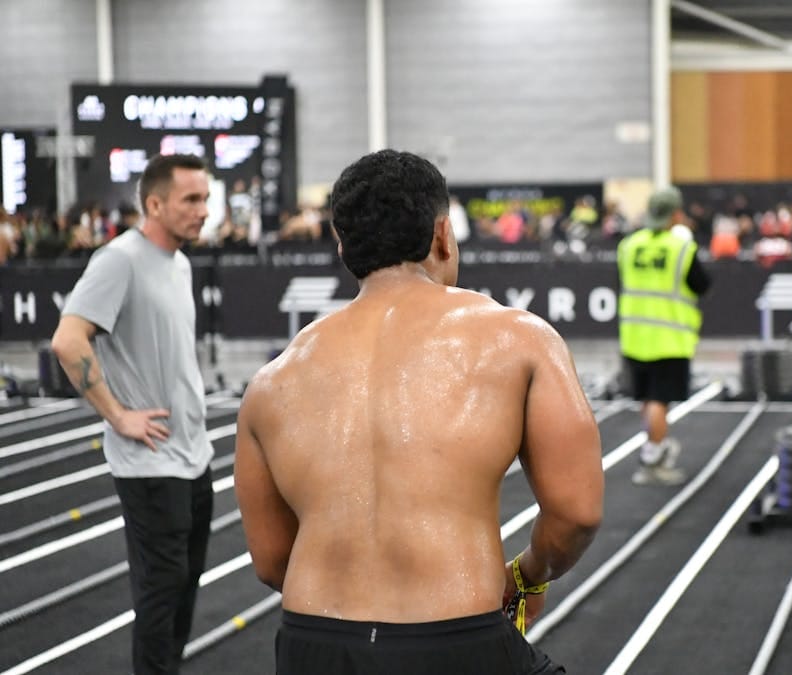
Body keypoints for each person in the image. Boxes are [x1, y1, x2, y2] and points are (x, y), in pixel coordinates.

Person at [234, 149, 604, 674]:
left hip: (312, 644)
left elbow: (272, 561)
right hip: (454, 640)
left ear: (344, 247)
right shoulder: (520, 339)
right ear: (442, 236)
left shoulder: (272, 381)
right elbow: (576, 513)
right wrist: (525, 575)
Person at [50, 153, 214, 674]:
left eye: (206, 198)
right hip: (149, 464)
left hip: (193, 458)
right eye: (191, 199)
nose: (203, 210)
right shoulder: (119, 259)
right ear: (154, 204)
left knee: (183, 597)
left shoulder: (181, 264)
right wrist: (118, 415)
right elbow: (67, 340)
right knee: (160, 603)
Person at [617, 186, 711, 486]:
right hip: (669, 339)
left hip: (634, 337)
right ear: (677, 214)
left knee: (648, 399)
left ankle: (654, 447)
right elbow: (702, 284)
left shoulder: (629, 245)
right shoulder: (681, 247)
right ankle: (652, 458)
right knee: (660, 400)